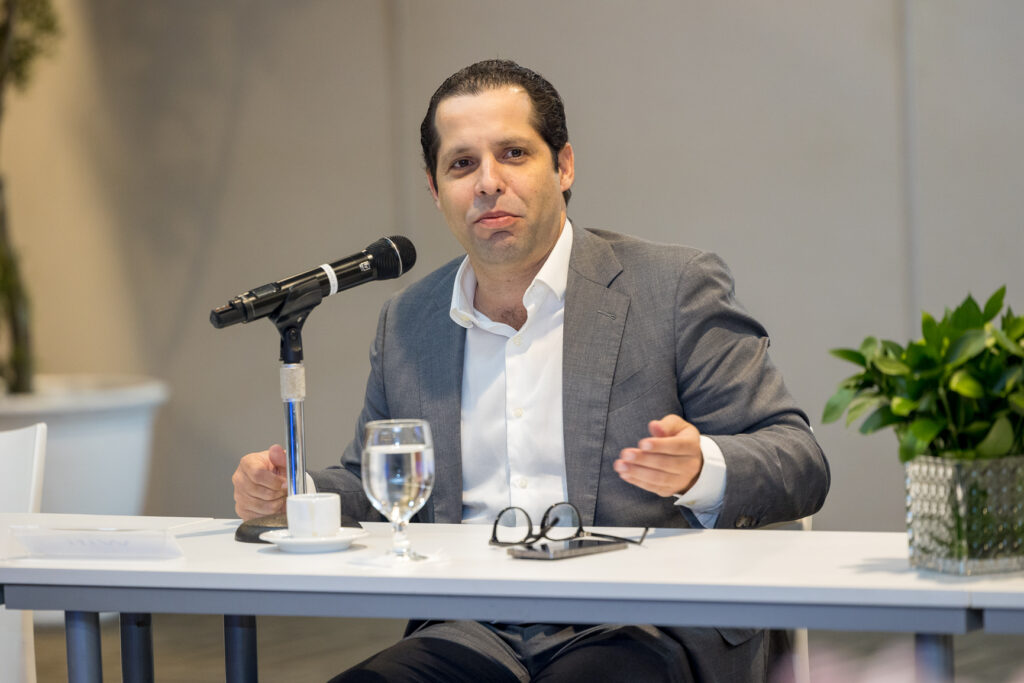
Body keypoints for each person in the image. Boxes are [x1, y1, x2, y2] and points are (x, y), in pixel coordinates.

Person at [232, 59, 829, 683]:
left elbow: (799, 458)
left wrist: (701, 467)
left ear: (563, 166)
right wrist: (294, 493)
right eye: (462, 164)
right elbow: (380, 487)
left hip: (642, 620)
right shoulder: (409, 320)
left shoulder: (672, 287)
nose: (488, 182)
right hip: (472, 630)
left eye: (513, 154)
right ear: (435, 190)